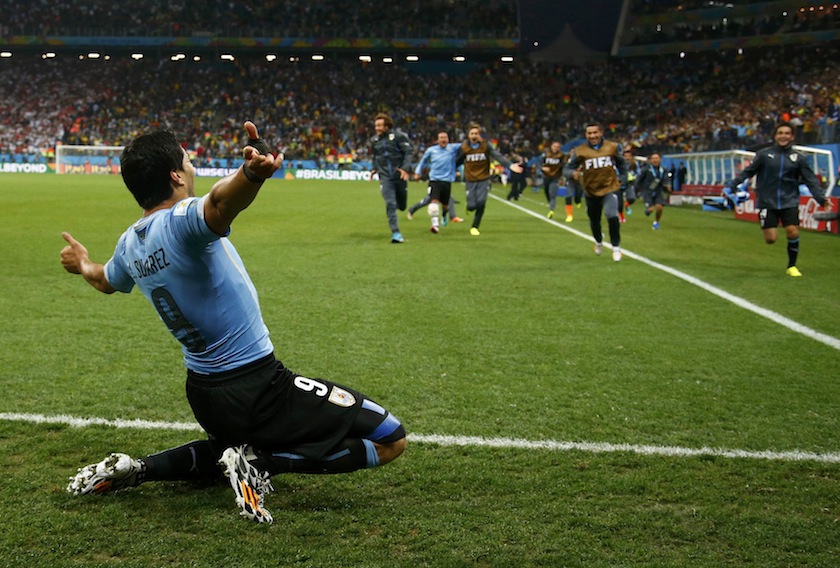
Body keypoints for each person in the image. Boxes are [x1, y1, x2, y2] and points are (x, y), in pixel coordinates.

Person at [60, 121, 407, 524]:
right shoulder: (180, 222)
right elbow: (221, 204)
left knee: (225, 452)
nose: (192, 168)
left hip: (205, 394)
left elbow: (104, 280)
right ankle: (262, 465)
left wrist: (82, 261)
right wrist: (251, 175)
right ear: (175, 175)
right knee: (390, 437)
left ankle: (138, 470)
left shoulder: (129, 244)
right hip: (258, 386)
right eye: (187, 162)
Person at [724, 121, 832, 277]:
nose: (783, 136)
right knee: (771, 239)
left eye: (787, 133)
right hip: (767, 201)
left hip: (790, 200)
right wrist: (731, 186)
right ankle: (772, 230)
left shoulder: (799, 158)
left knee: (793, 231)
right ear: (775, 136)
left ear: (792, 136)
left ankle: (792, 266)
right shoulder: (764, 155)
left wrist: (821, 199)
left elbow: (811, 180)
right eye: (781, 133)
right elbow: (747, 172)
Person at [563, 123, 627, 261]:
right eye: (589, 133)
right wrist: (572, 173)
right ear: (586, 135)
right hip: (591, 190)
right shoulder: (580, 151)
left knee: (612, 216)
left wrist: (622, 178)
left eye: (595, 132)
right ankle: (598, 241)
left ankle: (616, 248)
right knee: (594, 221)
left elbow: (622, 164)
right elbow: (566, 169)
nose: (592, 136)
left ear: (601, 132)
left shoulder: (612, 147)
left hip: (610, 188)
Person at [458, 123, 523, 236]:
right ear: (468, 135)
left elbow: (498, 156)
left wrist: (510, 165)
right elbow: (457, 160)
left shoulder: (485, 145)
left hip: (483, 178)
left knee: (481, 202)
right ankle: (469, 207)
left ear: (479, 135)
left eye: (476, 133)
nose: (474, 136)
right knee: (472, 206)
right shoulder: (464, 147)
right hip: (470, 179)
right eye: (472, 133)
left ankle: (475, 226)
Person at [370, 113, 413, 243]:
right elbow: (375, 156)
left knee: (401, 205)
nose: (376, 128)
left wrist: (405, 168)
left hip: (398, 175)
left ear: (387, 126)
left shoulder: (399, 137)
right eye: (375, 125)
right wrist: (374, 169)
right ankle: (396, 233)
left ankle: (401, 206)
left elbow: (408, 152)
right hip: (384, 177)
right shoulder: (374, 141)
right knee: (390, 203)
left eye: (379, 125)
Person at [412, 131, 463, 233]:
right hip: (434, 180)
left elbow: (467, 146)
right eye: (441, 137)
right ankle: (435, 226)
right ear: (438, 140)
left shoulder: (453, 148)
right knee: (433, 204)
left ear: (448, 139)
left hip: (447, 181)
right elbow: (423, 161)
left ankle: (444, 214)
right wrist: (417, 172)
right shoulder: (431, 150)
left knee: (445, 205)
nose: (443, 139)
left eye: (445, 137)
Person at [635, 152, 670, 230]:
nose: (655, 160)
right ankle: (648, 210)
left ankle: (656, 222)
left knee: (659, 207)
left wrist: (667, 185)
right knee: (650, 209)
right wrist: (636, 191)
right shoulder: (646, 169)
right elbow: (638, 180)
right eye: (653, 158)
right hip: (647, 191)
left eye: (657, 158)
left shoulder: (663, 170)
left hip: (658, 191)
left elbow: (666, 179)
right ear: (650, 160)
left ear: (660, 159)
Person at [539, 141, 568, 220]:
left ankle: (551, 210)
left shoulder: (562, 155)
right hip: (546, 176)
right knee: (546, 192)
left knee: (552, 194)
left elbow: (564, 166)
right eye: (555, 146)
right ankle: (551, 204)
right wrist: (542, 167)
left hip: (555, 177)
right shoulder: (546, 152)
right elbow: (540, 162)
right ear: (551, 146)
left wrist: (563, 177)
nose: (556, 148)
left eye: (558, 147)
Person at [620, 148, 641, 221]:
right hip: (620, 183)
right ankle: (621, 217)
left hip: (629, 183)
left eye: (629, 156)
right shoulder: (620, 163)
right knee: (619, 202)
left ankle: (627, 205)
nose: (627, 158)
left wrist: (634, 177)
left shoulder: (635, 164)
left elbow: (638, 172)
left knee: (632, 198)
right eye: (625, 156)